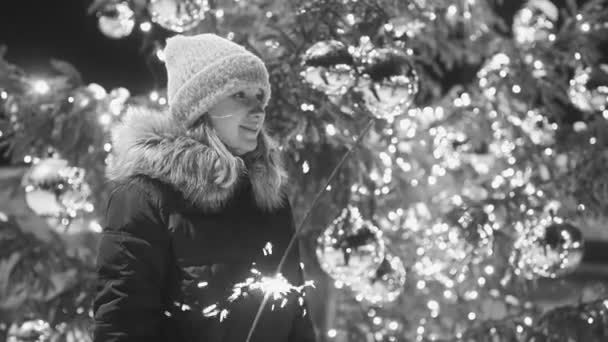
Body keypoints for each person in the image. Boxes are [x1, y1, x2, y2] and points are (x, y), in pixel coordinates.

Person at [92, 33, 317, 342]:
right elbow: (123, 321)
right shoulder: (145, 196)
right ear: (202, 106)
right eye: (240, 95)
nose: (258, 111)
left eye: (259, 97)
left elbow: (295, 313)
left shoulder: (268, 197)